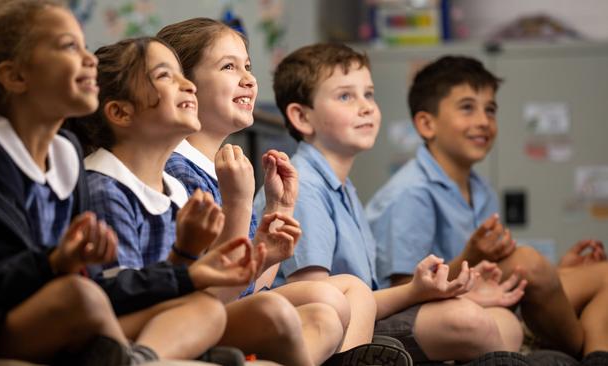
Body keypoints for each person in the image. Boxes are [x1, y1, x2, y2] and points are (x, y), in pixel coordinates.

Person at [0, 2, 251, 364]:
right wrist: (53, 263)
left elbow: (103, 284)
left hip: (74, 309)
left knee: (204, 309)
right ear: (15, 76)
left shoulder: (65, 156)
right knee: (78, 296)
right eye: (68, 46)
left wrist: (184, 269)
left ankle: (137, 356)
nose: (90, 59)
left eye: (84, 46)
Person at [71, 35, 339, 366]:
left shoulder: (174, 190)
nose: (189, 87)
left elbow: (203, 286)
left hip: (182, 315)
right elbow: (125, 298)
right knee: (258, 310)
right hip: (126, 329)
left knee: (319, 317)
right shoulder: (105, 188)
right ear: (120, 112)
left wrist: (264, 254)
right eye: (166, 75)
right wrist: (238, 204)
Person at [256, 43, 529, 364]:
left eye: (369, 94)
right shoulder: (302, 185)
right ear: (302, 117)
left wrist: (457, 289)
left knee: (507, 324)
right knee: (470, 322)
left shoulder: (345, 188)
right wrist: (415, 291)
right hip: (327, 325)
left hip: (365, 312)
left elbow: (368, 294)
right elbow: (322, 305)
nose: (366, 107)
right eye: (346, 96)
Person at [157, 18, 408, 366]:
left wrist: (280, 206)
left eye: (247, 66)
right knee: (330, 298)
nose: (248, 78)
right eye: (229, 67)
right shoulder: (178, 171)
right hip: (200, 315)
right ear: (185, 86)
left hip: (229, 303)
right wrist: (241, 201)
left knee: (352, 290)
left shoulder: (222, 168)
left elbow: (253, 282)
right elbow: (222, 290)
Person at [366, 55, 608, 364]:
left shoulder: (480, 189)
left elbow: (496, 269)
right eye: (467, 107)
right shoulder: (409, 193)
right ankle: (586, 353)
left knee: (599, 273)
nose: (483, 121)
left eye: (490, 110)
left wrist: (555, 272)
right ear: (426, 124)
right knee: (529, 262)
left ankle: (597, 354)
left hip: (489, 295)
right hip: (442, 311)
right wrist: (472, 257)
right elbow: (404, 292)